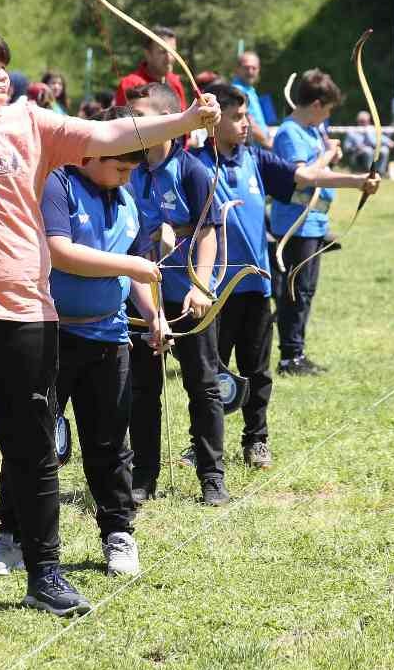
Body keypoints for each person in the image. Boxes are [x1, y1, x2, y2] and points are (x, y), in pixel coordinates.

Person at [0, 23, 218, 625]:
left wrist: (183, 122)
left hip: (25, 315)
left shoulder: (30, 122)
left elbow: (110, 132)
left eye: (6, 66)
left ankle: (45, 573)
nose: (5, 77)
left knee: (32, 450)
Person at [0, 109, 163, 577]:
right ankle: (11, 535)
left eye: (131, 171)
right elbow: (61, 252)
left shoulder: (126, 200)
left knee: (108, 442)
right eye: (120, 167)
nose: (125, 178)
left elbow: (136, 265)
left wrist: (153, 314)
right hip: (50, 334)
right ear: (90, 152)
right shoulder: (56, 185)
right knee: (32, 441)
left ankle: (118, 533)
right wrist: (129, 268)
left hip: (110, 336)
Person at [200, 83, 376, 473]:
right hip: (214, 290)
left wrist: (358, 180)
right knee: (211, 374)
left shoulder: (255, 160)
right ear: (213, 120)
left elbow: (305, 178)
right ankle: (203, 443)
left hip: (256, 285)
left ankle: (256, 440)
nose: (247, 124)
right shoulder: (194, 164)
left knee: (257, 371)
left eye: (246, 115)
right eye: (237, 117)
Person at [119, 83, 202, 504]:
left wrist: (202, 286)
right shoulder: (125, 169)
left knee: (201, 384)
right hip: (139, 296)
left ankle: (211, 475)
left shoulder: (191, 169)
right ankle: (143, 476)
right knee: (142, 388)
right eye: (130, 115)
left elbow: (209, 229)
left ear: (169, 121)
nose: (133, 123)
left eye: (142, 115)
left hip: (188, 296)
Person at [270, 69, 368, 376]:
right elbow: (305, 176)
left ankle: (297, 353)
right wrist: (351, 177)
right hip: (295, 223)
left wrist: (332, 159)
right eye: (326, 109)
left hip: (313, 223)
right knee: (295, 291)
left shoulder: (312, 129)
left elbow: (319, 169)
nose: (326, 116)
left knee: (306, 290)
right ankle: (289, 357)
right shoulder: (289, 133)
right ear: (315, 105)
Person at [113, 28, 187, 109]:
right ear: (148, 54)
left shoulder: (175, 82)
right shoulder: (130, 84)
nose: (169, 58)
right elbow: (123, 119)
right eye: (162, 52)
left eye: (173, 52)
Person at [230, 49, 274, 149]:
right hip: (251, 152)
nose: (250, 72)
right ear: (237, 69)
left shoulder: (250, 90)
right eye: (246, 68)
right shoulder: (237, 91)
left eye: (254, 68)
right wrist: (268, 143)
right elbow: (249, 123)